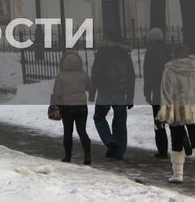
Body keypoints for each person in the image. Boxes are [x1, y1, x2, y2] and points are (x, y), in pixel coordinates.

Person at [158, 44, 195, 187]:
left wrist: (165, 114)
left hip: (177, 110)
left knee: (176, 141)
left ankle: (178, 175)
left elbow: (166, 93)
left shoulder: (169, 70)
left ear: (174, 55)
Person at [89, 30, 136, 159]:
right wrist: (130, 97)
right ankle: (119, 153)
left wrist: (92, 93)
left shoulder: (102, 53)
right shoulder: (125, 54)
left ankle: (109, 141)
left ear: (108, 40)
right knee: (120, 122)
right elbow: (131, 76)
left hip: (105, 92)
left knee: (99, 118)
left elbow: (95, 74)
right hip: (120, 92)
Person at [50, 50, 92, 164]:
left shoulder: (61, 76)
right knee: (82, 130)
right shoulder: (83, 75)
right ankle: (87, 156)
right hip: (81, 107)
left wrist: (55, 107)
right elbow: (90, 87)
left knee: (68, 132)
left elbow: (57, 93)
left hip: (66, 108)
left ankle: (67, 156)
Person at [143, 27, 172, 158]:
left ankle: (162, 150)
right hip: (171, 91)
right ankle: (182, 143)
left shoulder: (150, 52)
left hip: (157, 91)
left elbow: (148, 73)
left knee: (158, 122)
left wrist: (147, 91)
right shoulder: (169, 50)